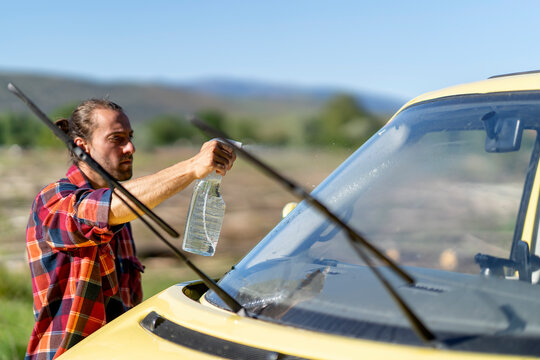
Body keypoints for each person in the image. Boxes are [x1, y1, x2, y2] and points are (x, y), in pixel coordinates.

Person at [25, 99, 236, 359]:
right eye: (117, 138)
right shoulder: (54, 200)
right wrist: (192, 167)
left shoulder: (120, 220)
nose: (130, 148)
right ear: (83, 147)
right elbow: (102, 210)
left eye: (130, 137)